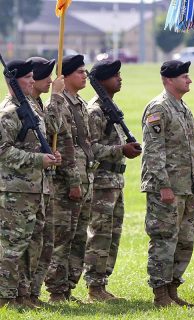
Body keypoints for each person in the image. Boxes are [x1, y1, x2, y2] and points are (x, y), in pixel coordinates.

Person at [141, 60, 194, 307]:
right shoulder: (159, 108)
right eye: (184, 77)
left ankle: (173, 289)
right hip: (166, 188)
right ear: (169, 80)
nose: (189, 81)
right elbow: (154, 151)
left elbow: (190, 149)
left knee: (184, 241)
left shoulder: (183, 108)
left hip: (185, 187)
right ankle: (160, 294)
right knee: (164, 239)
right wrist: (163, 185)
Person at [0, 60, 60, 308]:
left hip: (36, 189)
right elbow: (3, 151)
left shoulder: (31, 109)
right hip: (15, 191)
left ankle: (23, 295)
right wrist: (38, 160)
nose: (32, 82)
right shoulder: (7, 113)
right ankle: (5, 297)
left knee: (33, 245)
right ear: (13, 81)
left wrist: (51, 157)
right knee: (12, 247)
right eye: (27, 78)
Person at [84, 59, 142, 301]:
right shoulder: (96, 110)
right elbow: (90, 148)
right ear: (102, 81)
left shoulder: (110, 107)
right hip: (101, 181)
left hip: (114, 181)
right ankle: (94, 287)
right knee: (100, 233)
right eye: (115, 75)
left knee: (113, 234)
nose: (120, 79)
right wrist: (121, 149)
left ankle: (102, 282)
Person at [44, 54, 95, 303]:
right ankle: (56, 290)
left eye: (85, 72)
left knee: (78, 238)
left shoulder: (81, 103)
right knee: (62, 238)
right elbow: (55, 133)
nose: (85, 75)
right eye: (80, 72)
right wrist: (73, 181)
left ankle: (68, 288)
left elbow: (85, 144)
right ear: (66, 77)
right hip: (66, 182)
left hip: (85, 179)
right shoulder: (58, 103)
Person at [26, 56, 65, 307]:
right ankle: (19, 294)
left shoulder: (37, 103)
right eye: (46, 76)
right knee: (26, 244)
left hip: (42, 184)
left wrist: (52, 154)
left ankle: (32, 293)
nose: (51, 80)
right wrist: (57, 97)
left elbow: (52, 129)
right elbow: (52, 126)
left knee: (44, 243)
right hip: (25, 186)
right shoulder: (24, 106)